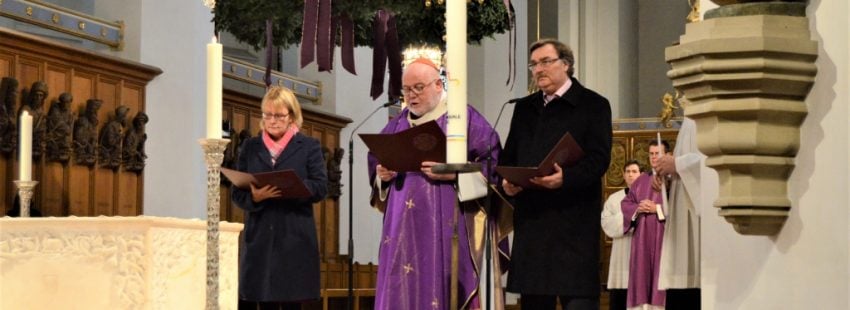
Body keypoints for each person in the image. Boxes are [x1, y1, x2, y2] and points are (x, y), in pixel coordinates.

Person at [367, 58, 504, 310]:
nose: (411, 95)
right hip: (402, 231)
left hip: (448, 224)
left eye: (419, 87)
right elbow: (376, 163)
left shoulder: (464, 119)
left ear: (438, 85)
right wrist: (381, 177)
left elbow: (492, 167)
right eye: (407, 89)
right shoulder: (395, 126)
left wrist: (456, 174)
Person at [500, 38, 612, 309]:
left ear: (566, 64)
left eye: (546, 62)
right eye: (534, 64)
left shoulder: (593, 104)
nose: (538, 69)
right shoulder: (524, 108)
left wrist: (566, 178)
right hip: (533, 223)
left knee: (578, 303)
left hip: (573, 225)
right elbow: (509, 156)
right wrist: (508, 182)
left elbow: (599, 160)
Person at [231, 86, 328, 310]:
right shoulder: (250, 147)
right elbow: (237, 192)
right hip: (261, 238)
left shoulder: (308, 147)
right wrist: (254, 197)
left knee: (292, 301)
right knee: (264, 300)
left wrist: (292, 187)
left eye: (278, 115)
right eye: (267, 115)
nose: (272, 121)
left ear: (292, 116)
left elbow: (321, 187)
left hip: (294, 237)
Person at [653, 118, 711, 309]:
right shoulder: (688, 120)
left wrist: (677, 164)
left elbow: (715, 163)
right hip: (681, 220)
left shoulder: (706, 113)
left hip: (700, 225)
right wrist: (667, 178)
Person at [621, 140, 670, 310]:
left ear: (667, 155)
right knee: (641, 276)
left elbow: (680, 208)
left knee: (659, 276)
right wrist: (637, 208)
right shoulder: (641, 180)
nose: (654, 157)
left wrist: (657, 208)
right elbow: (626, 203)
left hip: (663, 237)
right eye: (651, 154)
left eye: (658, 153)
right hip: (642, 239)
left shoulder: (673, 179)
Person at [601, 160, 643, 310]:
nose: (631, 175)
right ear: (624, 175)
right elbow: (607, 224)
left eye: (634, 171)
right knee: (620, 295)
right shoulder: (614, 199)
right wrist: (631, 215)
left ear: (641, 175)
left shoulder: (649, 196)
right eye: (628, 172)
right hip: (621, 252)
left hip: (642, 251)